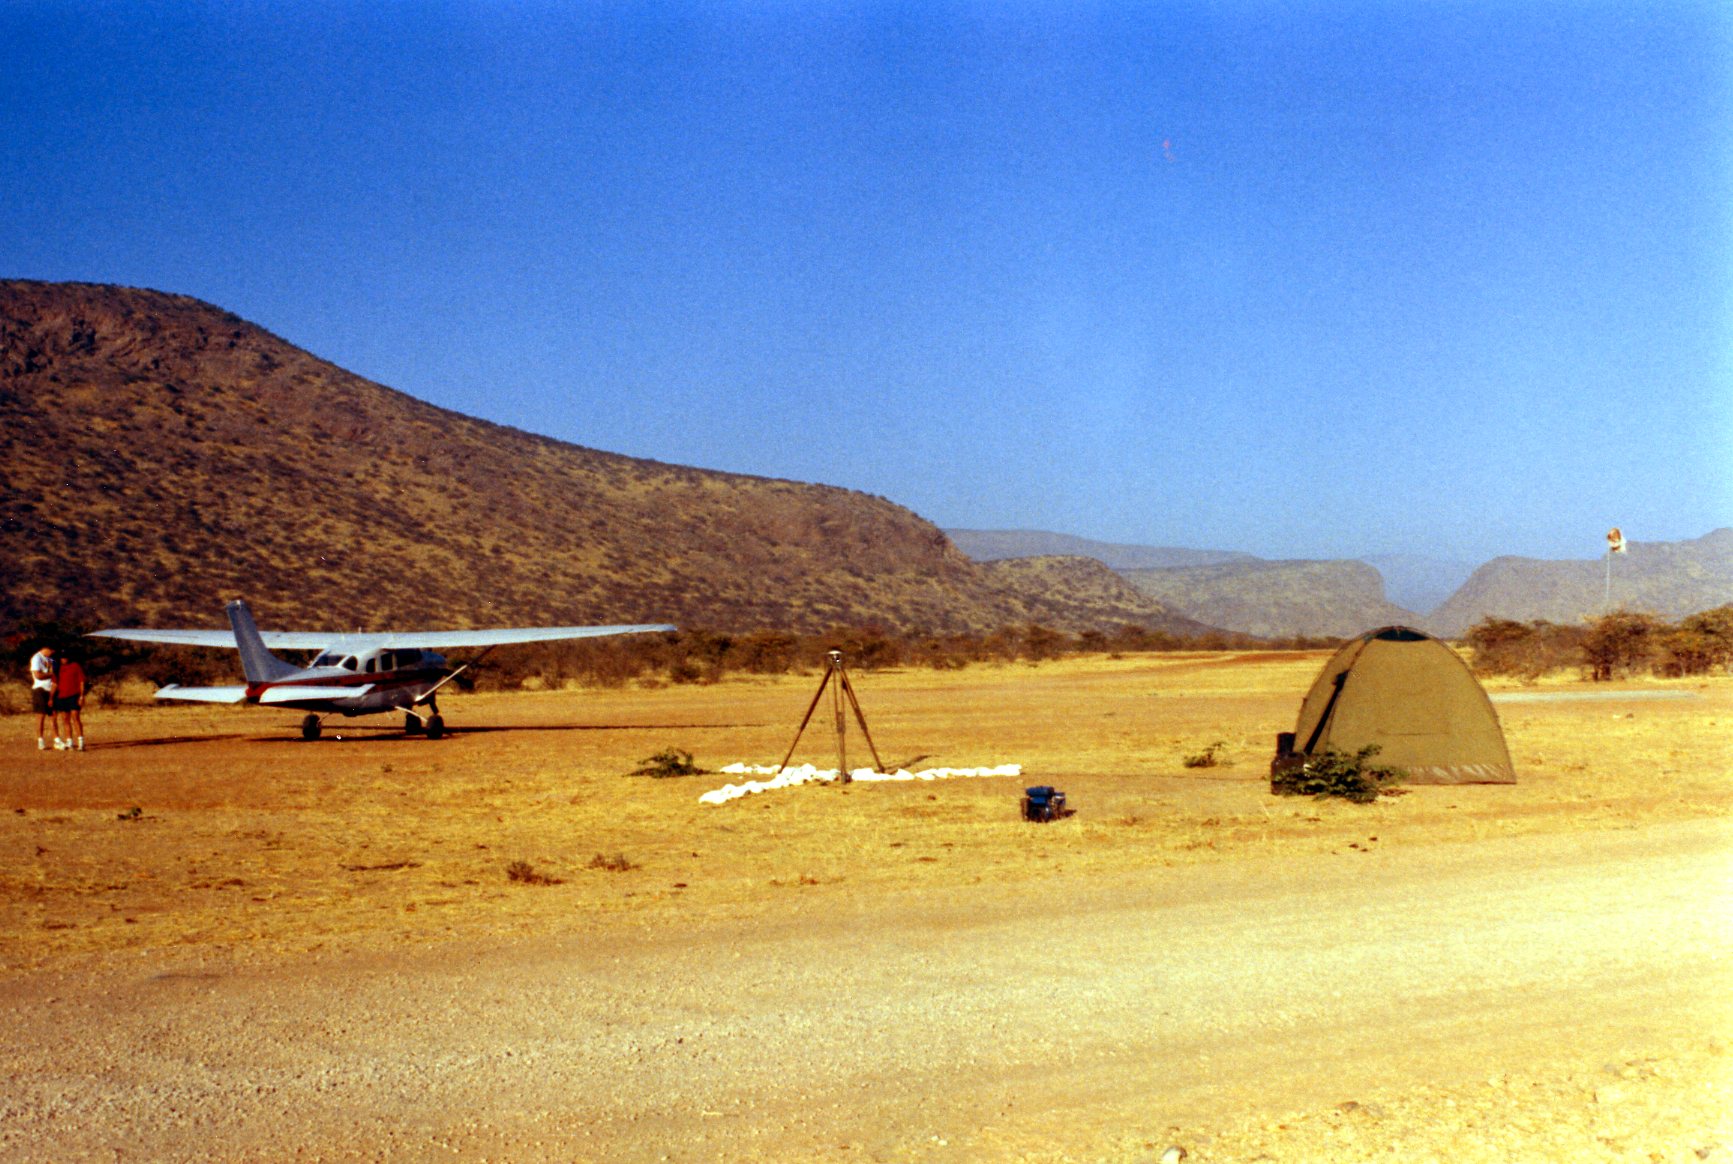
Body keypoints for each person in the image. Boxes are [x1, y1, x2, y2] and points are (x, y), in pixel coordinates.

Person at [53, 651, 87, 752]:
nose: (64, 659)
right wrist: (51, 697)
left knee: (75, 717)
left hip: (73, 695)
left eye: (66, 657)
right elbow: (54, 683)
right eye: (62, 658)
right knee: (65, 719)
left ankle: (81, 742)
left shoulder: (75, 666)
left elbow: (81, 681)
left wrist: (81, 696)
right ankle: (69, 741)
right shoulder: (58, 668)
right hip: (62, 696)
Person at [28, 644, 57, 750]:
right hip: (40, 689)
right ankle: (40, 740)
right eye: (51, 650)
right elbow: (38, 675)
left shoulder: (49, 659)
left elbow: (52, 672)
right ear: (46, 648)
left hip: (50, 689)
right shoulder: (36, 658)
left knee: (53, 715)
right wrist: (52, 675)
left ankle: (56, 739)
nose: (52, 653)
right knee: (40, 717)